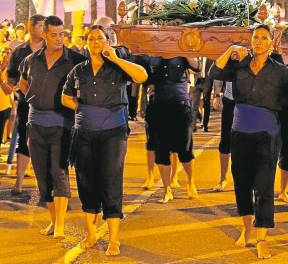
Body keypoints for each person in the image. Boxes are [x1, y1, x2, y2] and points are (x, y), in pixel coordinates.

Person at [209, 25, 288, 259]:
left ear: (271, 43)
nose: (258, 41)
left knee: (264, 187)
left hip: (267, 137)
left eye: (263, 38)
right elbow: (214, 73)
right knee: (242, 185)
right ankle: (246, 230)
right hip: (239, 134)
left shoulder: (283, 73)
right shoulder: (239, 67)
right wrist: (231, 49)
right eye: (255, 37)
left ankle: (261, 239)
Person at [62, 25, 148, 256]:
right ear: (86, 43)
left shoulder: (117, 67)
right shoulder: (78, 70)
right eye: (92, 38)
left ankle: (114, 239)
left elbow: (142, 75)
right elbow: (65, 97)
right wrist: (83, 111)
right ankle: (91, 234)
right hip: (84, 133)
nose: (96, 42)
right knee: (86, 182)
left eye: (100, 38)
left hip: (113, 132)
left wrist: (116, 59)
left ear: (107, 41)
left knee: (110, 181)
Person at [19, 15, 85, 238]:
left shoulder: (75, 60)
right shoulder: (31, 59)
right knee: (42, 176)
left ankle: (60, 225)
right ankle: (53, 220)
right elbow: (22, 81)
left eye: (62, 34)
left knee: (59, 173)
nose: (59, 38)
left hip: (62, 125)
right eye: (54, 34)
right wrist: (33, 96)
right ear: (44, 34)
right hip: (35, 124)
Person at [141, 56, 200, 203]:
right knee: (161, 150)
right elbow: (144, 74)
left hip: (180, 104)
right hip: (158, 104)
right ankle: (167, 189)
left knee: (185, 149)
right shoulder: (152, 53)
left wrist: (185, 51)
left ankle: (190, 181)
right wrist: (149, 84)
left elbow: (197, 66)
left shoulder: (181, 50)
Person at [6, 14, 45, 194]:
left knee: (46, 143)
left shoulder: (53, 48)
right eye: (41, 26)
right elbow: (11, 74)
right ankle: (19, 182)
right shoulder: (20, 51)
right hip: (26, 103)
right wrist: (17, 87)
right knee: (25, 140)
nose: (44, 30)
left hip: (48, 104)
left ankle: (45, 184)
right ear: (31, 27)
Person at [271, 25, 288, 203]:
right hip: (271, 111)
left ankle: (283, 191)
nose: (284, 46)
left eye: (287, 43)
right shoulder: (270, 57)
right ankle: (264, 188)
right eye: (281, 42)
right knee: (267, 152)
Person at [213, 80, 235, 191]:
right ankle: (223, 178)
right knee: (225, 141)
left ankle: (245, 179)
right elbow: (218, 74)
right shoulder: (229, 62)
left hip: (248, 101)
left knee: (247, 142)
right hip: (229, 101)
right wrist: (217, 95)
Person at [0, 47, 13, 144]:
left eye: (8, 53)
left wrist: (1, 81)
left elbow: (8, 91)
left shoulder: (12, 71)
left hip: (3, 106)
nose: (5, 54)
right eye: (3, 52)